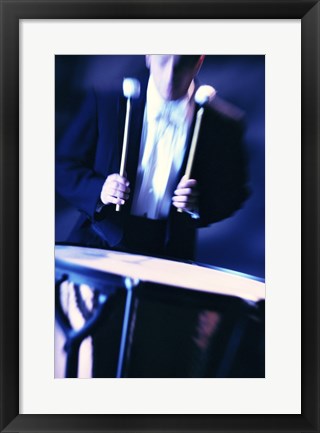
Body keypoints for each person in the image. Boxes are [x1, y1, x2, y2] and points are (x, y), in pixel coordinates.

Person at [56, 55, 249, 261]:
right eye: (163, 62)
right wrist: (99, 191)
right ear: (149, 57)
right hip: (98, 245)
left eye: (182, 65)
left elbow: (234, 193)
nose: (169, 77)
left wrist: (198, 204)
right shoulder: (106, 100)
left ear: (198, 63)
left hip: (171, 256)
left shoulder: (224, 124)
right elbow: (62, 166)